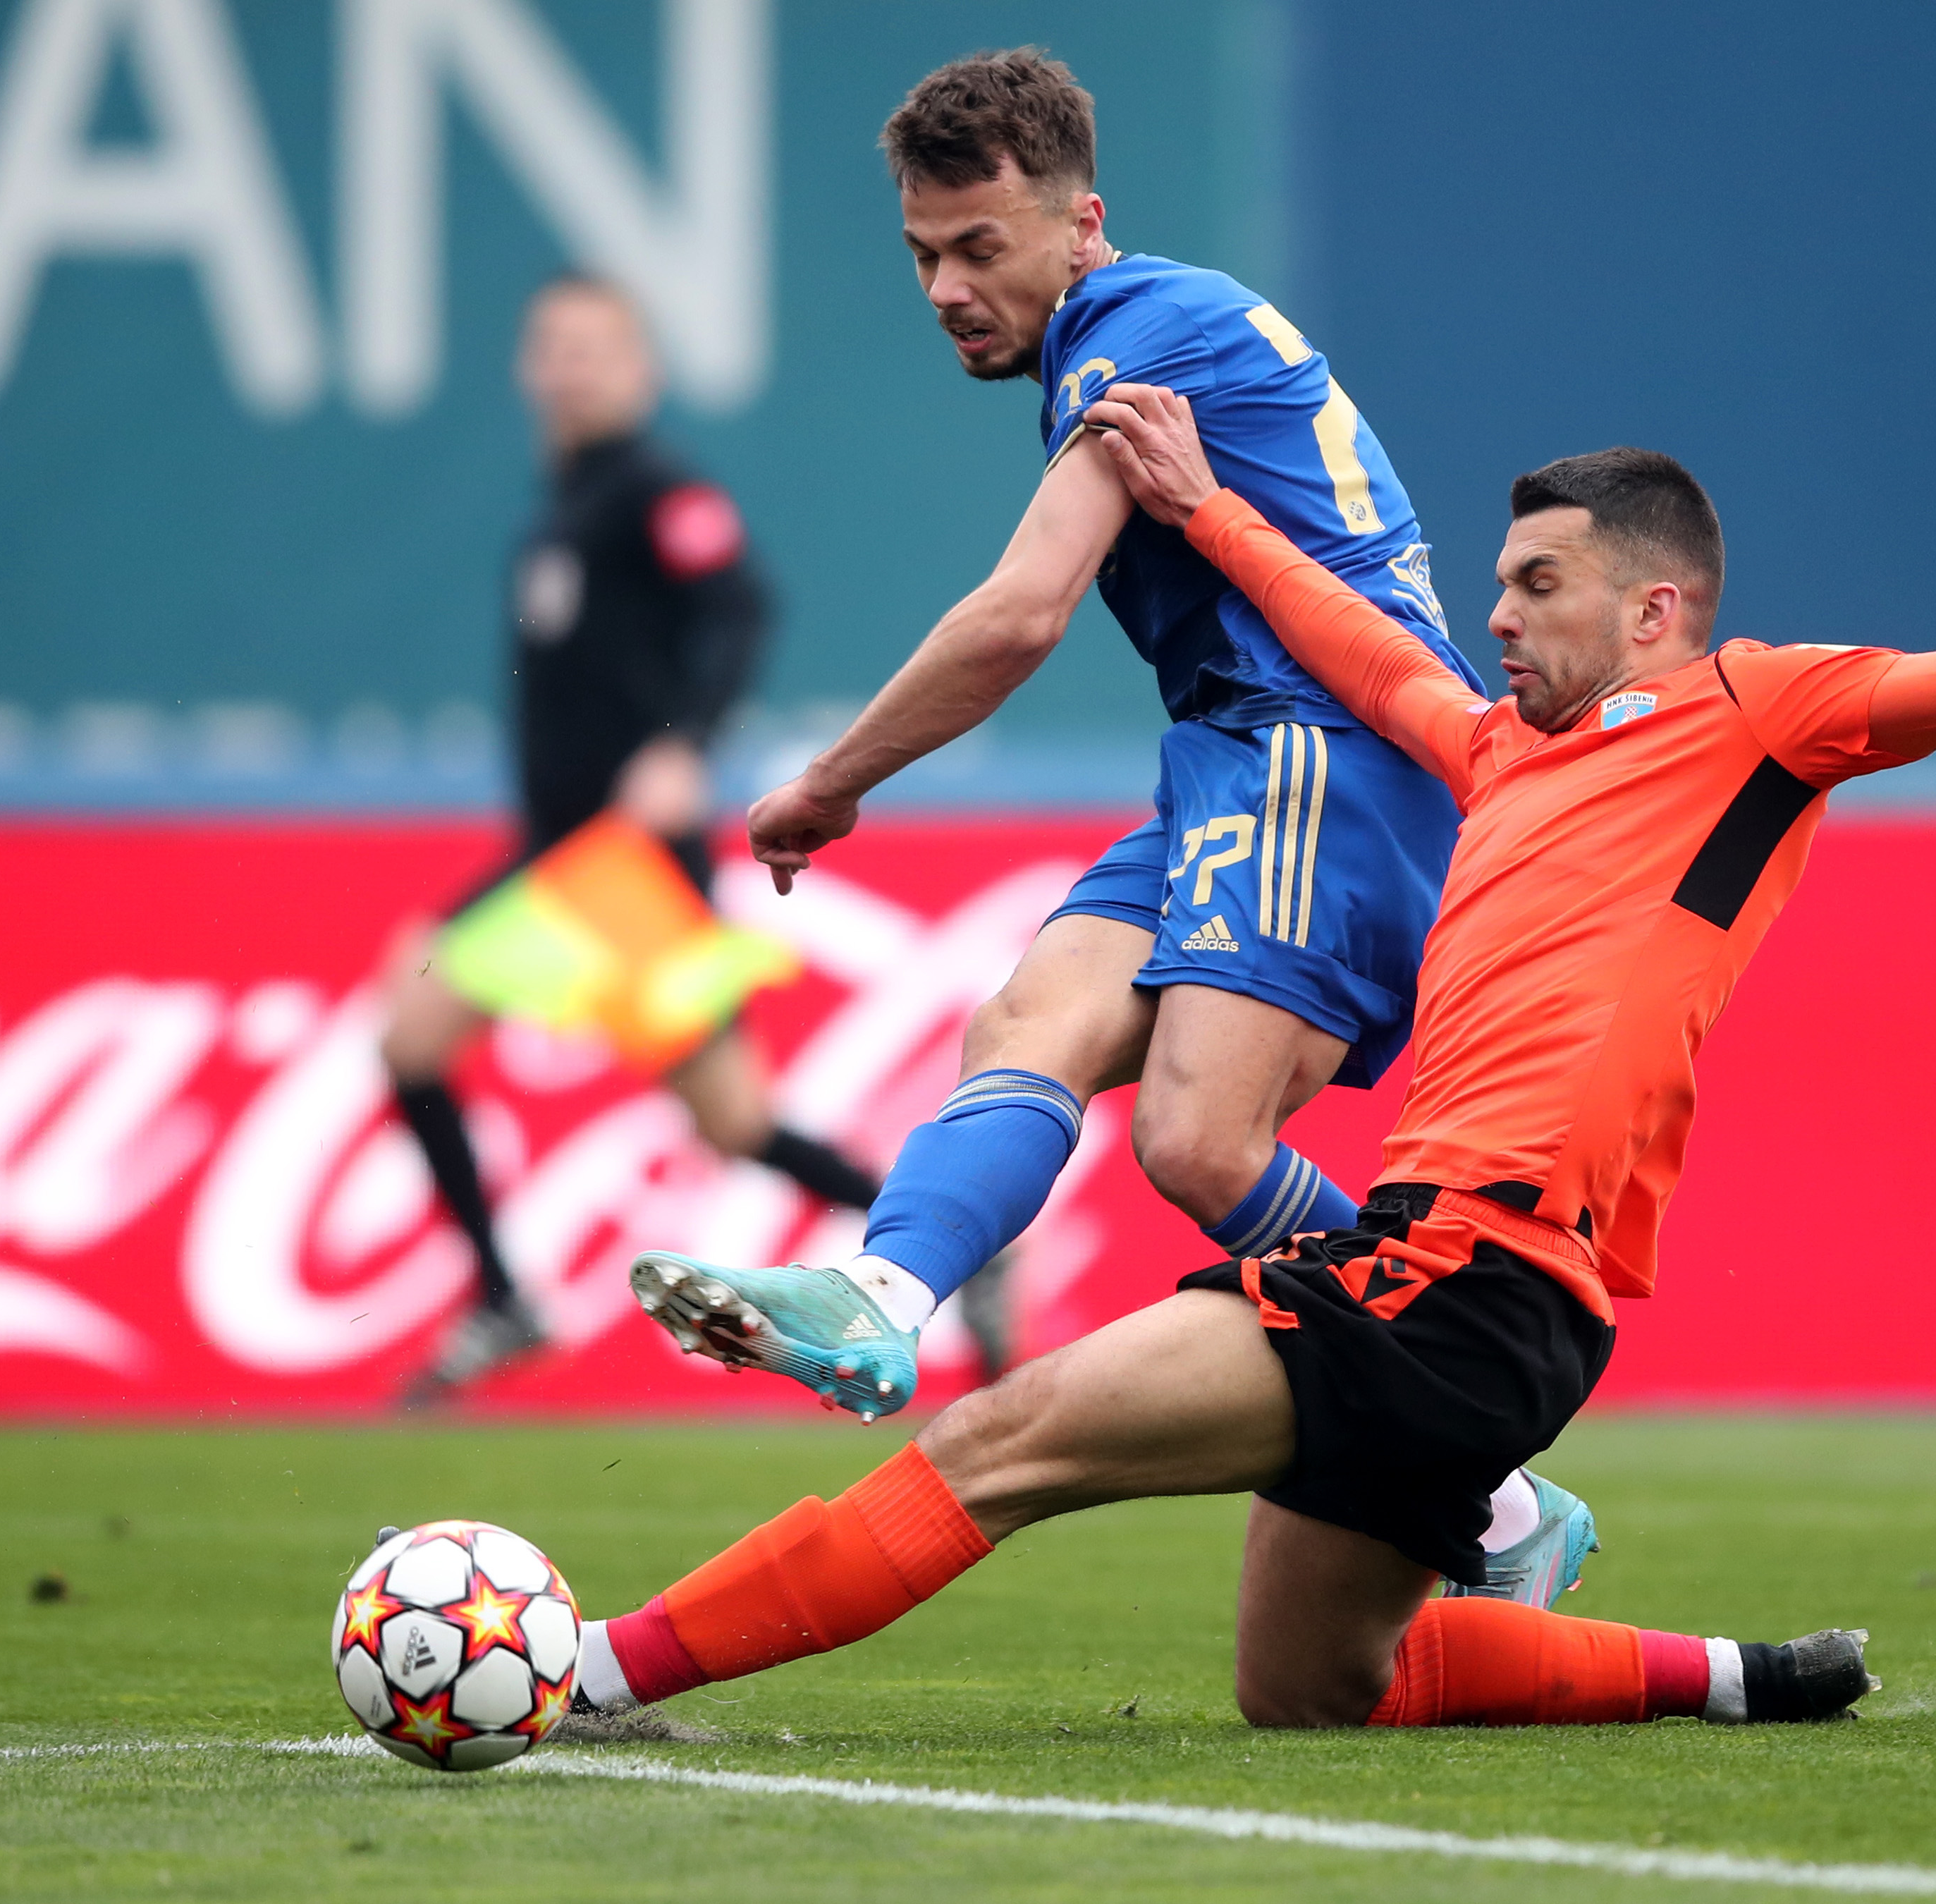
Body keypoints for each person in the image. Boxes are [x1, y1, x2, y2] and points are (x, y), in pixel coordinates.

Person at [557, 391, 1936, 1736]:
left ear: (1654, 609)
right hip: (1472, 1293)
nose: (1498, 615)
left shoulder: (1749, 714)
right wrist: (1202, 508)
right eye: (1496, 585)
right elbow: (1347, 640)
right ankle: (1732, 1677)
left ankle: (588, 1675)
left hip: (1463, 1271)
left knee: (1002, 1439)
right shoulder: (1492, 753)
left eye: (1537, 585)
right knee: (1310, 1690)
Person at [623, 48, 1588, 1606]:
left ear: (1082, 222)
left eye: (978, 246)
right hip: (1236, 755)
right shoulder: (1123, 334)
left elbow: (1019, 616)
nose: (946, 288)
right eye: (922, 254)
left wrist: (832, 781)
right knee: (1026, 1027)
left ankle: (1484, 1450)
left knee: (1200, 1142)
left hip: (1329, 747)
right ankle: (880, 1297)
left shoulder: (1143, 332)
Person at [380, 275, 885, 1400]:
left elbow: (742, 605)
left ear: (643, 371)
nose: (573, 367)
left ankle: (952, 1247)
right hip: (564, 869)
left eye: (597, 348)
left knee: (735, 1124)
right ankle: (502, 1300)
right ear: (528, 367)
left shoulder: (658, 489)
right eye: (554, 346)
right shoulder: (564, 508)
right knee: (413, 1036)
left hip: (624, 868)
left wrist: (685, 746)